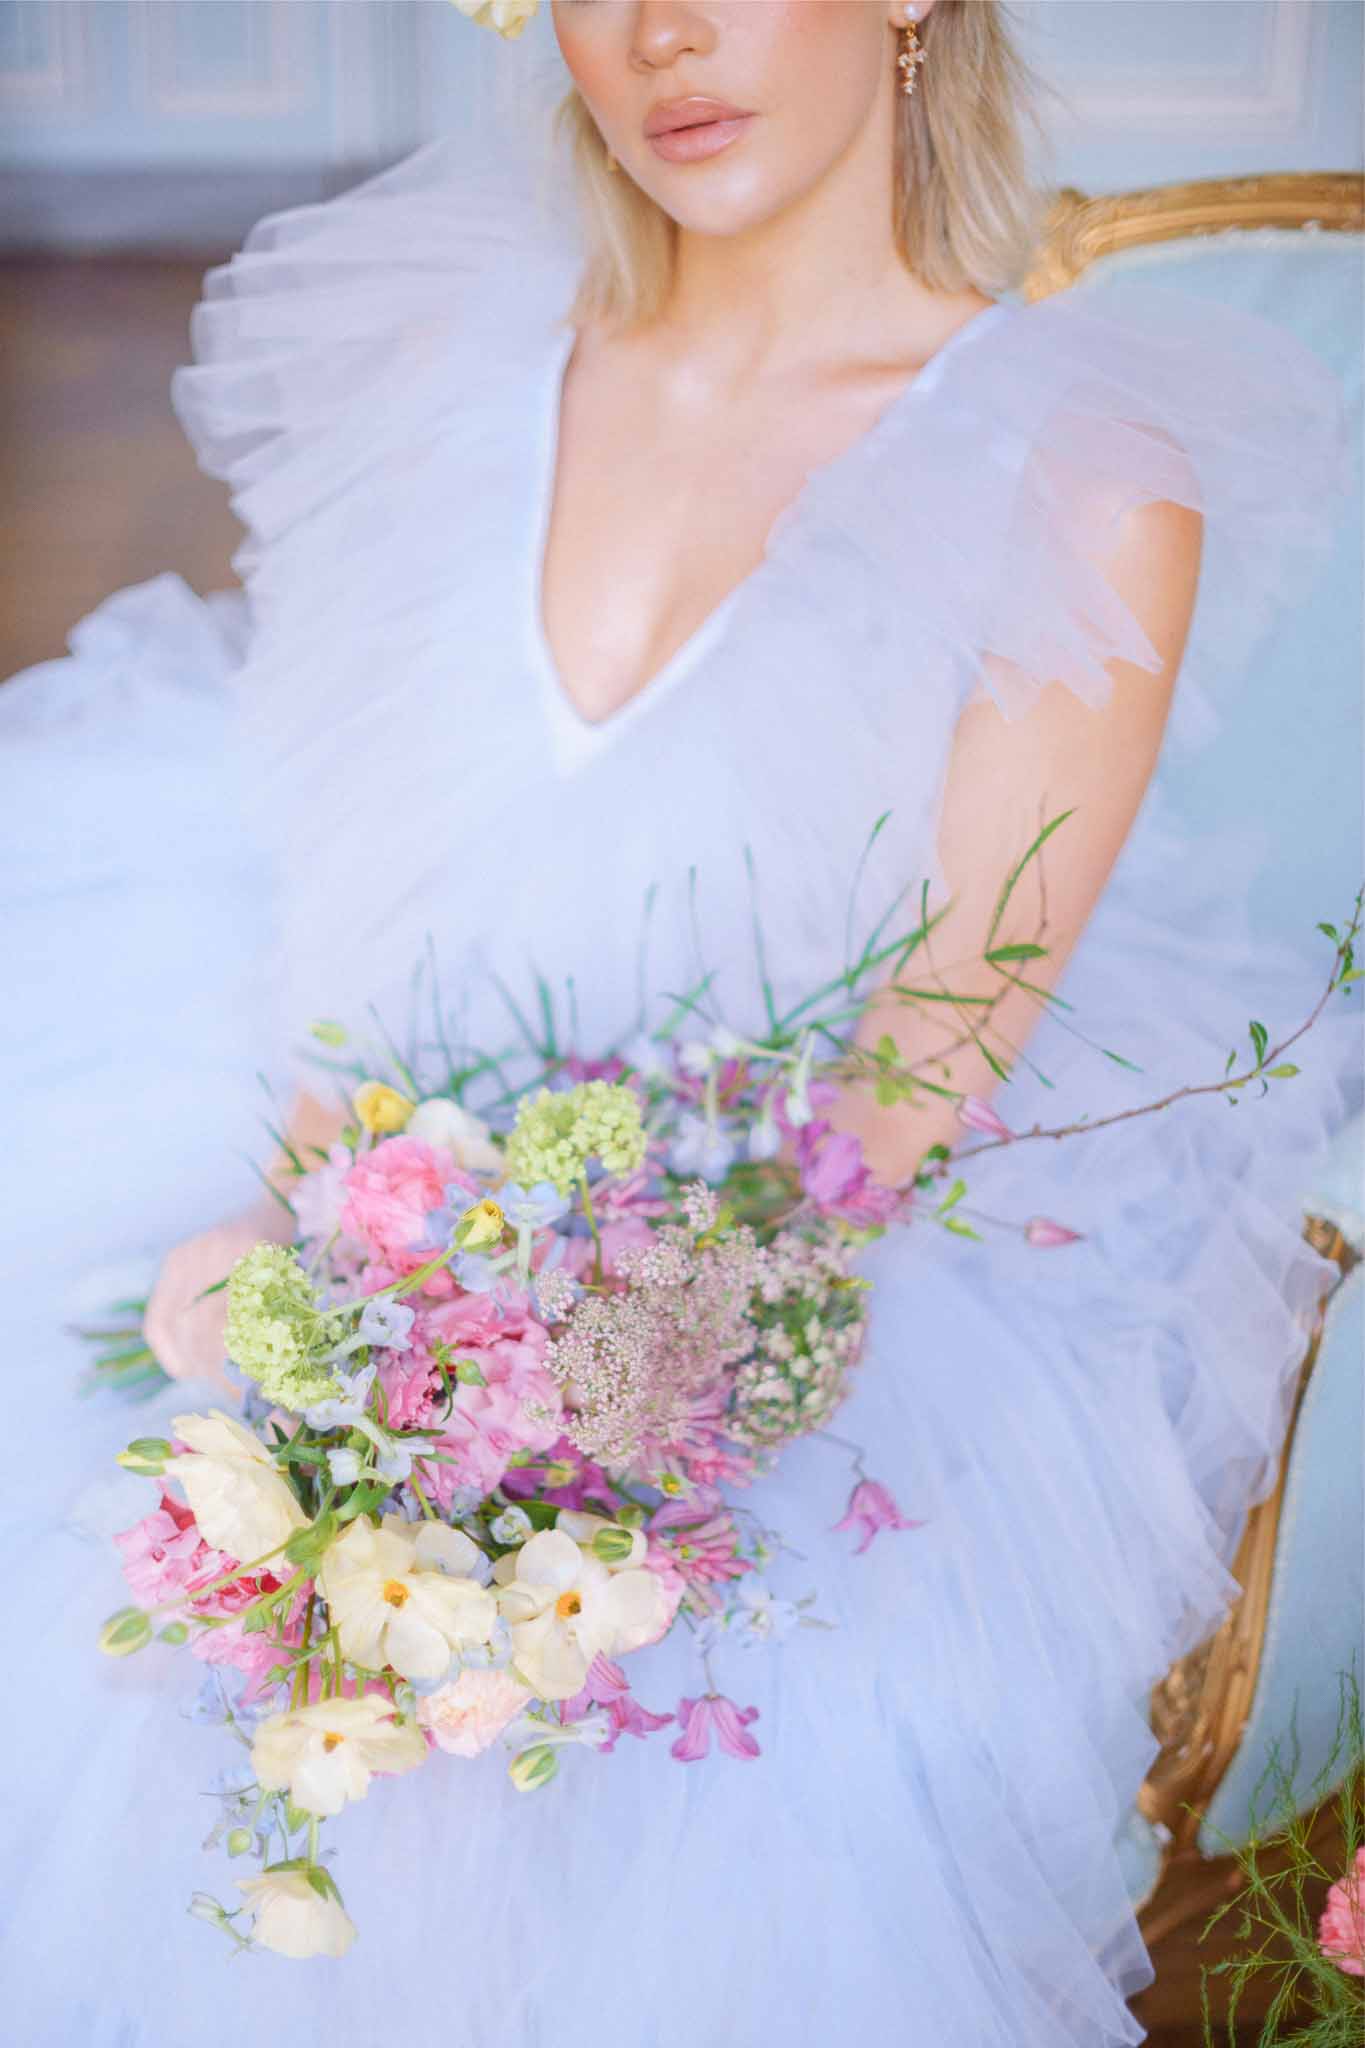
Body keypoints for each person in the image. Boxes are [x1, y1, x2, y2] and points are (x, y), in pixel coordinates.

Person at [1, 4, 1358, 2043]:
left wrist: (574, 1389)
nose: (654, 36)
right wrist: (313, 1233)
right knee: (112, 1565)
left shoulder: (1075, 463)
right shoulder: (439, 357)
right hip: (404, 1170)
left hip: (805, 1247)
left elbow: (930, 1047)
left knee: (681, 1734)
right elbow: (350, 883)